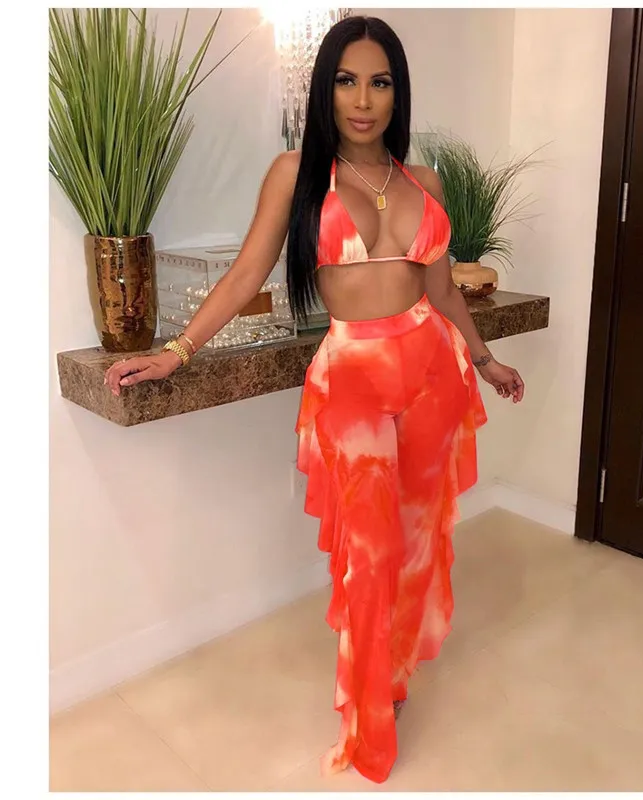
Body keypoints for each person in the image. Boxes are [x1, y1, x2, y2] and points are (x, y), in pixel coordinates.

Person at [104, 15, 524, 784]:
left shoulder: (423, 183)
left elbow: (441, 291)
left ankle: (389, 674)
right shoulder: (297, 174)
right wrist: (175, 352)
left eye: (379, 82)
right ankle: (367, 717)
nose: (362, 100)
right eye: (346, 81)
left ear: (398, 92)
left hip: (431, 374)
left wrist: (486, 358)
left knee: (414, 545)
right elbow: (245, 276)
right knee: (369, 555)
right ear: (324, 89)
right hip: (352, 382)